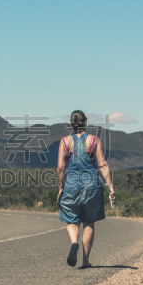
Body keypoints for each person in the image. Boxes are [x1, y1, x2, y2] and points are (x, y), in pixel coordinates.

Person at [57, 110, 115, 269]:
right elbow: (102, 164)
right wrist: (110, 188)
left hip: (71, 184)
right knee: (89, 222)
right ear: (86, 122)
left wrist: (61, 186)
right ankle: (85, 261)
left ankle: (74, 242)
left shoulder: (64, 142)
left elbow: (61, 167)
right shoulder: (94, 140)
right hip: (92, 185)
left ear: (70, 123)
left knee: (71, 219)